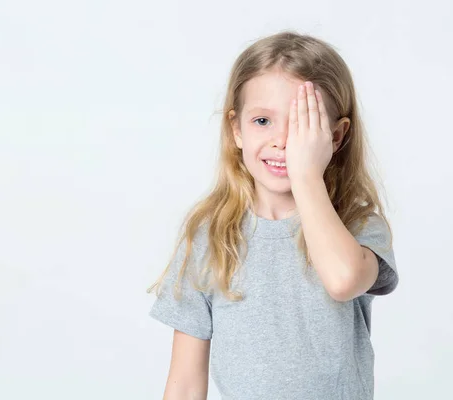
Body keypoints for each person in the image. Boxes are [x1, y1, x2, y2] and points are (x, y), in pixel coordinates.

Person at [147, 30, 399, 400]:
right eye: (263, 121)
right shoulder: (209, 234)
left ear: (336, 137)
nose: (281, 140)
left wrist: (306, 174)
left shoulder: (356, 225)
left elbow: (343, 279)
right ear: (236, 129)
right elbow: (185, 383)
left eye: (300, 125)